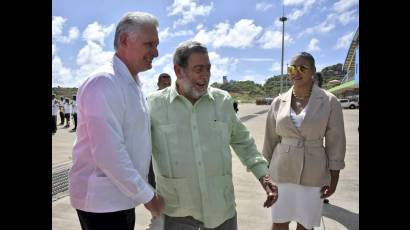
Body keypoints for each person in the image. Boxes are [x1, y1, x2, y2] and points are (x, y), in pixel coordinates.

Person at [148, 41, 278, 230]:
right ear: (178, 71)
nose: (206, 75)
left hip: (221, 209)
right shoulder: (154, 106)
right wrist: (145, 194)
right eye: (198, 69)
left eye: (208, 69)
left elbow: (243, 141)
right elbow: (138, 152)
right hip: (177, 211)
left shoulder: (222, 101)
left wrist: (263, 174)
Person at [68, 12, 164, 230]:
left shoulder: (132, 84)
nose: (156, 52)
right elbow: (108, 153)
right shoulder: (104, 82)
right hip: (102, 203)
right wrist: (148, 196)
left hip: (120, 197)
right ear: (123, 41)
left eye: (156, 45)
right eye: (149, 44)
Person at [262, 52, 346, 230]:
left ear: (313, 71)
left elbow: (335, 142)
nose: (296, 72)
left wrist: (334, 177)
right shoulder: (278, 102)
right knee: (279, 221)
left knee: (306, 224)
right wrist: (265, 174)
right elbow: (270, 139)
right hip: (281, 170)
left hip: (314, 172)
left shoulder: (330, 101)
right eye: (292, 68)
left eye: (302, 68)